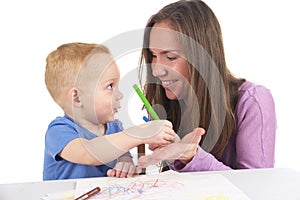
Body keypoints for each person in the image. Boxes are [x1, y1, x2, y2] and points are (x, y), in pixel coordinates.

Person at [137, 0, 276, 172]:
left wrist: (191, 156)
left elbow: (256, 188)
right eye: (153, 55)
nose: (156, 70)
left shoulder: (253, 101)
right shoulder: (164, 103)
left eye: (171, 57)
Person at [43, 42, 176, 180]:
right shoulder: (58, 131)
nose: (120, 95)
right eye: (110, 86)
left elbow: (122, 155)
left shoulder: (115, 127)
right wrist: (137, 134)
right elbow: (89, 153)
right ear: (77, 98)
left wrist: (125, 163)